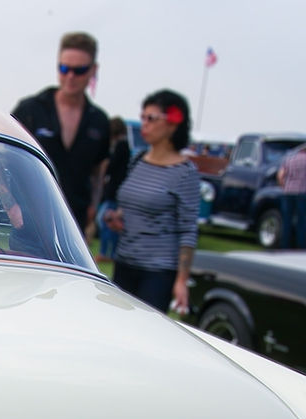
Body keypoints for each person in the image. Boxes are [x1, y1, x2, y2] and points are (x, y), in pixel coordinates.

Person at [102, 90, 201, 312]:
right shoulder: (137, 160)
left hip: (157, 272)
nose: (144, 124)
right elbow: (128, 207)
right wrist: (116, 219)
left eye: (151, 118)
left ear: (172, 123)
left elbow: (188, 230)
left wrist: (181, 281)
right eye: (143, 117)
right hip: (125, 262)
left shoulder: (185, 172)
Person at [12, 31, 109, 235]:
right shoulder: (30, 110)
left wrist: (94, 207)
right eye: (64, 69)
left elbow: (99, 172)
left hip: (74, 225)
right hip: (29, 221)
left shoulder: (98, 122)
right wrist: (10, 204)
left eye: (79, 70)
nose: (70, 77)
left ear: (93, 70)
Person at [95, 116, 130, 263]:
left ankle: (107, 252)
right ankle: (111, 252)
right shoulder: (125, 146)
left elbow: (111, 166)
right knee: (111, 222)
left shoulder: (121, 146)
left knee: (107, 221)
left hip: (114, 192)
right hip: (116, 192)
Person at [276, 142, 306, 249]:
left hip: (288, 191)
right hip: (303, 192)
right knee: (302, 221)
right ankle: (301, 245)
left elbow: (280, 176)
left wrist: (284, 186)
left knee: (287, 220)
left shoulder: (289, 158)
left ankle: (285, 244)